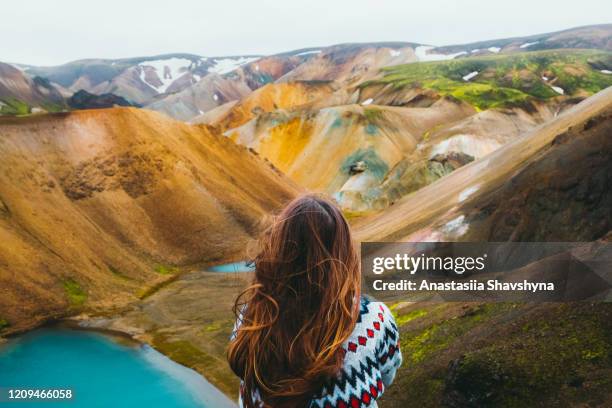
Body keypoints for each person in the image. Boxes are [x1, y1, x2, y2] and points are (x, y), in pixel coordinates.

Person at [228, 194, 402, 407]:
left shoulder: (252, 317)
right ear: (343, 252)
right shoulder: (374, 319)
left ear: (279, 247)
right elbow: (388, 373)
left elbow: (245, 385)